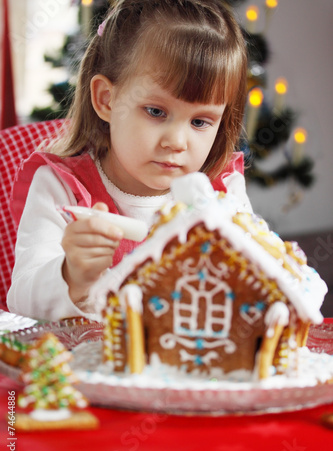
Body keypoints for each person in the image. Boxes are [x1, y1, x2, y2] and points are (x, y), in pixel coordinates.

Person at [7, 0, 252, 321]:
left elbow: (252, 286)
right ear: (106, 100)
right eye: (156, 111)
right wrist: (72, 274)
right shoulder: (62, 188)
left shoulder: (223, 190)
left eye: (200, 122)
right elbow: (21, 301)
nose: (176, 142)